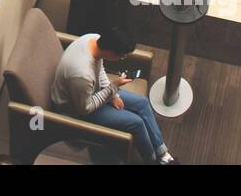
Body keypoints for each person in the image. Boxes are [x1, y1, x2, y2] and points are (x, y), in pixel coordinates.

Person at [51, 26, 177, 165]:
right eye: (122, 55)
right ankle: (153, 161)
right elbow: (85, 108)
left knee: (142, 103)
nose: (122, 59)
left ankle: (162, 153)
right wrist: (113, 88)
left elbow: (99, 69)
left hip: (90, 92)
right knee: (136, 123)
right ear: (111, 52)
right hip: (76, 109)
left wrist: (113, 95)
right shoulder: (82, 74)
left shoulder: (93, 39)